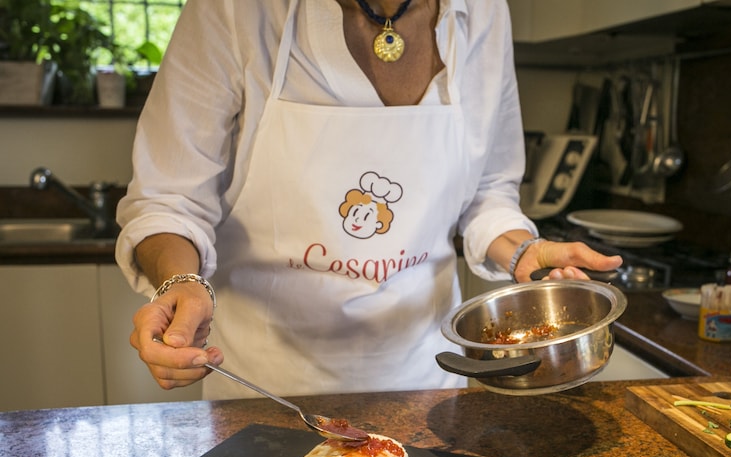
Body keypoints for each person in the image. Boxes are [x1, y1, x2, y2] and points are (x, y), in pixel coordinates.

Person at [115, 0, 622, 399]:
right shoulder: (234, 10)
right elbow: (169, 200)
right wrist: (181, 283)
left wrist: (519, 250)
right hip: (267, 390)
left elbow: (487, 191)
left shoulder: (484, 12)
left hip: (426, 379)